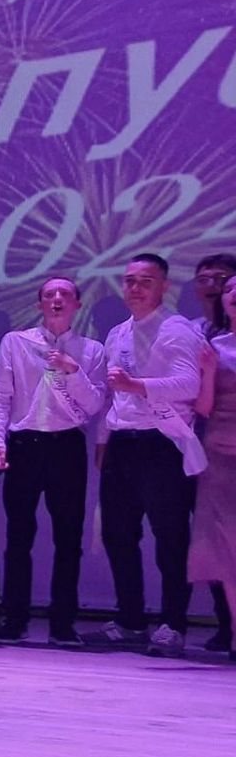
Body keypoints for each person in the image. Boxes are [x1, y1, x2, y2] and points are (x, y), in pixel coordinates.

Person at [89, 254, 205, 657]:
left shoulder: (177, 329)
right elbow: (112, 395)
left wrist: (138, 385)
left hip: (162, 442)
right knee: (118, 533)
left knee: (170, 536)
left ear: (164, 287)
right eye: (129, 281)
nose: (135, 288)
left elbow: (189, 383)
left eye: (145, 281)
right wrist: (103, 441)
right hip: (123, 442)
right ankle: (131, 619)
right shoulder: (118, 332)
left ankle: (173, 623)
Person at [0, 277, 105, 646]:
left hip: (67, 446)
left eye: (65, 294)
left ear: (77, 305)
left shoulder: (92, 350)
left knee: (69, 538)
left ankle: (62, 623)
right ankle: (14, 618)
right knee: (19, 536)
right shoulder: (16, 342)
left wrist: (72, 370)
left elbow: (95, 404)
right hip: (25, 444)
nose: (57, 299)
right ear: (39, 305)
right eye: (49, 295)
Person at [187, 254, 236, 652]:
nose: (232, 292)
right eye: (230, 290)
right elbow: (201, 407)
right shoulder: (211, 346)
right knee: (226, 547)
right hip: (218, 451)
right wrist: (205, 371)